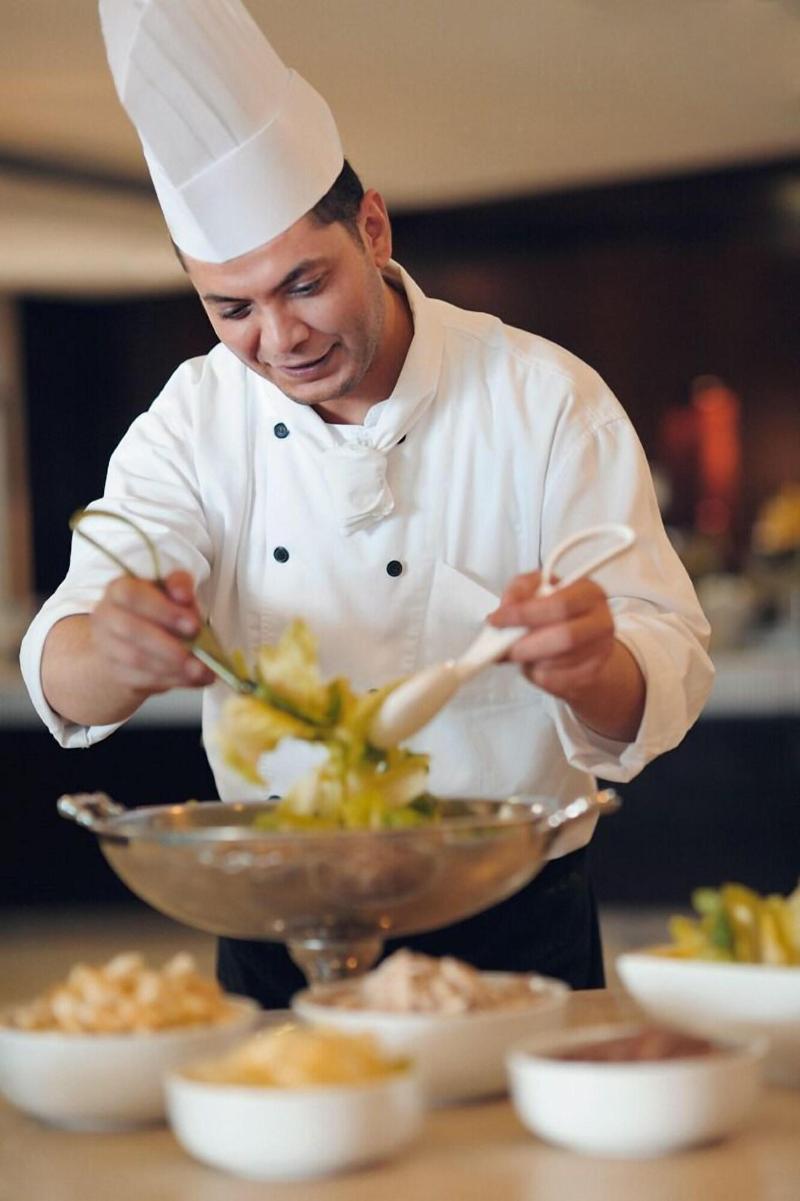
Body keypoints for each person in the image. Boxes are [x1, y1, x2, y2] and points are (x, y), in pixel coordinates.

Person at [20, 0, 713, 1008]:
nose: (278, 339)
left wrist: (592, 665)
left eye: (304, 284)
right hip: (274, 916)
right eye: (231, 308)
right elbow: (64, 660)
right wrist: (114, 652)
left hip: (511, 911)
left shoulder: (544, 398)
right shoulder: (192, 420)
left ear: (373, 229)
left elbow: (667, 658)